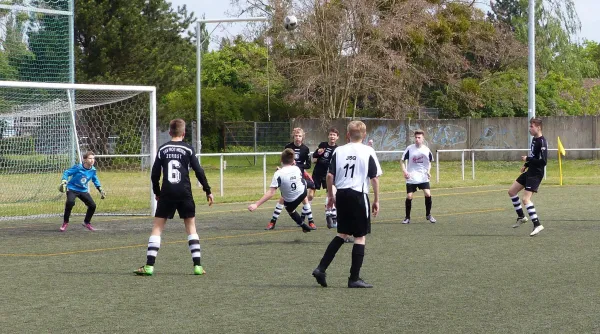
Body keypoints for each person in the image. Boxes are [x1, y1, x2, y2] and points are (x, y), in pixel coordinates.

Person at [135, 119, 214, 276]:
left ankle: (149, 266)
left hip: (167, 192)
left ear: (170, 133)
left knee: (157, 228)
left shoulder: (163, 149)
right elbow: (199, 171)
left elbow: (155, 173)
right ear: (184, 133)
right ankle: (197, 266)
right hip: (185, 192)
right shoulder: (188, 149)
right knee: (191, 228)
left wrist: (157, 192)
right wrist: (207, 190)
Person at [312, 121, 382, 288]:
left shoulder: (339, 150)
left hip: (341, 194)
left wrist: (330, 195)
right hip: (358, 195)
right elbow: (374, 178)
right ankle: (354, 278)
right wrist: (376, 200)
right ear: (364, 135)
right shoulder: (368, 151)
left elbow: (330, 176)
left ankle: (321, 268)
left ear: (347, 135)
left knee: (342, 233)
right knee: (359, 236)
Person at [248, 148, 312, 233]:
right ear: (293, 161)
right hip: (303, 193)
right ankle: (312, 185)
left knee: (291, 210)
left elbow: (271, 193)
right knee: (302, 181)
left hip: (291, 200)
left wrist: (256, 205)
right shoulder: (297, 168)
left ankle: (302, 224)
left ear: (281, 160)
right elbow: (290, 170)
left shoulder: (278, 174)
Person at [265, 128, 316, 230]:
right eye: (296, 136)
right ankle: (272, 222)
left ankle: (311, 222)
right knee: (283, 198)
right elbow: (284, 160)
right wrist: (282, 169)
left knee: (304, 199)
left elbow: (308, 165)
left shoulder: (305, 149)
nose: (298, 138)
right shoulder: (288, 147)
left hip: (298, 175)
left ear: (303, 137)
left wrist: (298, 166)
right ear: (293, 136)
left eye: (299, 136)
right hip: (288, 175)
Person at [508, 117, 547, 236]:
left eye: (532, 126)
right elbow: (533, 155)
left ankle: (537, 225)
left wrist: (528, 159)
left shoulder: (542, 141)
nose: (530, 128)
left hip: (536, 174)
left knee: (525, 199)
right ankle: (521, 217)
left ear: (538, 127)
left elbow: (543, 161)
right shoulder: (534, 140)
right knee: (511, 191)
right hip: (530, 171)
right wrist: (526, 164)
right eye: (530, 126)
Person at [58, 151, 106, 232]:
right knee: (70, 203)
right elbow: (67, 172)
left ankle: (86, 222)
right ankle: (65, 222)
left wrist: (100, 189)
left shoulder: (93, 170)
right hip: (72, 188)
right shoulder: (78, 167)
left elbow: (95, 180)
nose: (92, 160)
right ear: (85, 160)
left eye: (93, 158)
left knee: (92, 206)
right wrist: (64, 181)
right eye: (90, 158)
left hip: (83, 190)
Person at [400, 129, 436, 224]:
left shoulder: (426, 149)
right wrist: (405, 171)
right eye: (415, 137)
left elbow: (429, 162)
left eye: (419, 137)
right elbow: (402, 160)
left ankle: (428, 215)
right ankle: (407, 218)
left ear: (423, 138)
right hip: (411, 176)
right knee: (409, 196)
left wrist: (428, 171)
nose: (417, 139)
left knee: (428, 194)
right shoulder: (410, 148)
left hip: (423, 176)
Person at [310, 128, 339, 229]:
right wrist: (319, 153)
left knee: (330, 193)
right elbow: (314, 156)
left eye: (334, 135)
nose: (332, 136)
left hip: (329, 174)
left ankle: (330, 215)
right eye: (331, 134)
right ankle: (306, 213)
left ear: (337, 137)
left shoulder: (338, 149)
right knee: (310, 195)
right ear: (328, 136)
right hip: (318, 173)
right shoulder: (323, 145)